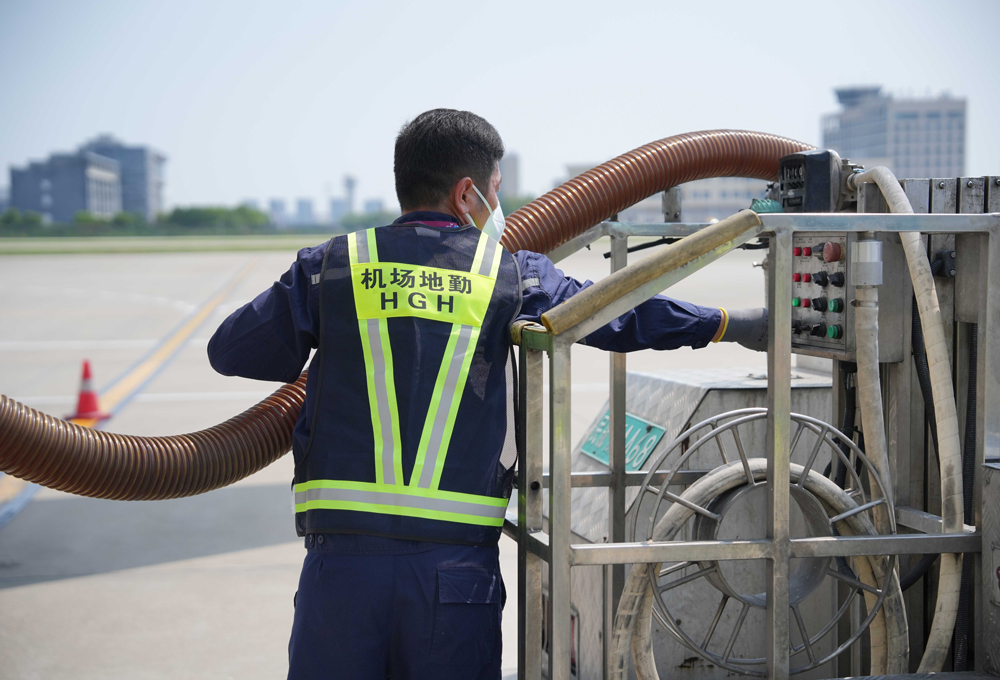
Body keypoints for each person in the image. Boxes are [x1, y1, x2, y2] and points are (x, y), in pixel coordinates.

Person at [207, 109, 768, 680]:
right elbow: (620, 312)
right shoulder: (509, 274)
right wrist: (731, 322)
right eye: (496, 192)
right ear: (468, 194)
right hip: (455, 576)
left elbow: (231, 351)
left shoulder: (334, 265)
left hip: (341, 573)